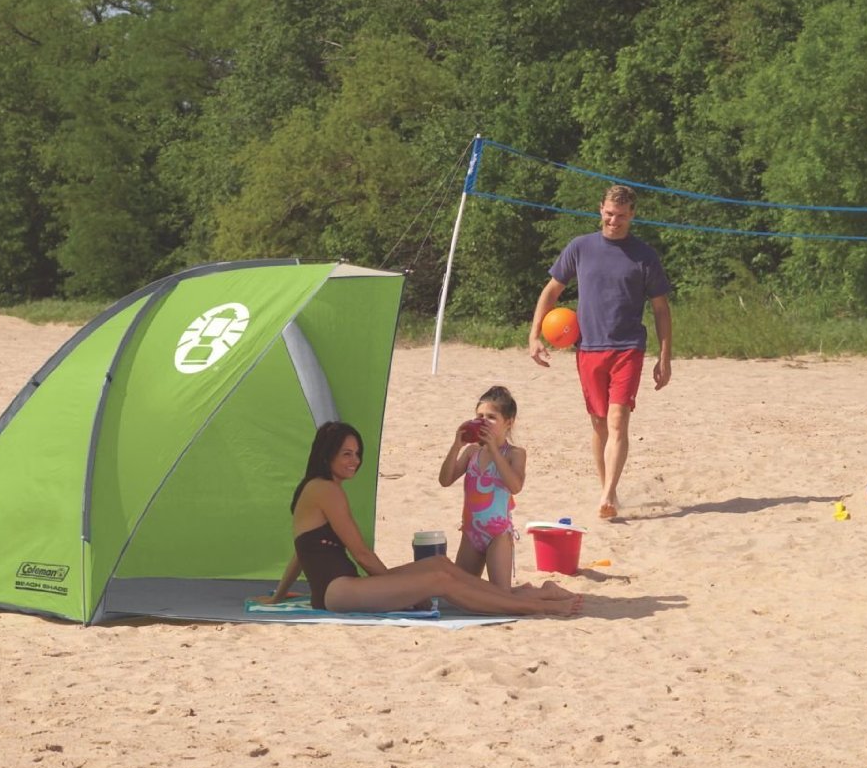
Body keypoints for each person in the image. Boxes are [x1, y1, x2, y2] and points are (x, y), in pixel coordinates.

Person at [266, 421, 581, 617]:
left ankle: (531, 594)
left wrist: (278, 596)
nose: (355, 461)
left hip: (343, 587)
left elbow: (300, 551)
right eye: (346, 454)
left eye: (357, 453)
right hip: (338, 592)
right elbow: (361, 554)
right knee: (439, 580)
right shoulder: (325, 490)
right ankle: (539, 606)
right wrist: (399, 589)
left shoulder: (318, 488)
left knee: (441, 566)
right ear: (326, 455)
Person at [528, 183, 672, 521]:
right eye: (609, 213)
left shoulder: (645, 255)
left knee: (618, 420)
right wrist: (534, 335)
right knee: (598, 423)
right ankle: (608, 486)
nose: (614, 221)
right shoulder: (580, 248)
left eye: (621, 216)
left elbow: (661, 309)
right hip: (589, 348)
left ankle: (607, 496)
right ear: (600, 210)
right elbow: (551, 292)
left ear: (632, 215)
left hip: (628, 348)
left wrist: (664, 356)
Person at [437, 385, 524, 589]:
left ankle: (544, 593)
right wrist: (456, 446)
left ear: (508, 423)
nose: (483, 421)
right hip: (471, 533)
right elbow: (445, 480)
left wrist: (494, 449)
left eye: (491, 417)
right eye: (479, 415)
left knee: (501, 595)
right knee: (461, 593)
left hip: (498, 534)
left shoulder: (514, 454)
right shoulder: (472, 452)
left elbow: (515, 485)